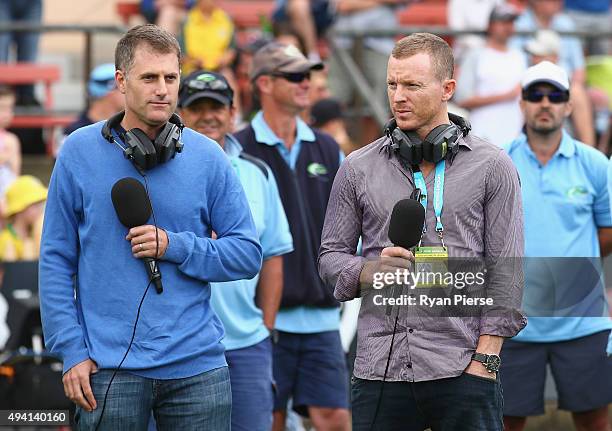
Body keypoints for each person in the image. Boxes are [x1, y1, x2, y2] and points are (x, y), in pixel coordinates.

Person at [39, 24, 262, 430]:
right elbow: (55, 261)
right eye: (149, 78)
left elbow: (246, 255)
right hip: (107, 371)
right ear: (121, 81)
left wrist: (174, 246)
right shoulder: (77, 152)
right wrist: (71, 350)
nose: (162, 89)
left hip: (198, 370)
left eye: (170, 78)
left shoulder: (209, 157)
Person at [318, 32, 526, 431]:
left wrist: (485, 359)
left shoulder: (493, 167)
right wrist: (368, 271)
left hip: (465, 366)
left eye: (412, 85)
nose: (398, 96)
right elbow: (329, 258)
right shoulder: (356, 168)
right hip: (380, 370)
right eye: (392, 84)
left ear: (448, 88)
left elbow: (507, 272)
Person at [234, 42, 351, 431]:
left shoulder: (328, 147)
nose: (307, 83)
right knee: (271, 420)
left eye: (309, 75)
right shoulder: (239, 149)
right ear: (264, 83)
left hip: (321, 317)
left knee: (334, 418)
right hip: (263, 321)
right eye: (296, 76)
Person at [178, 70, 293, 431]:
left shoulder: (258, 172)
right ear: (179, 112)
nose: (209, 115)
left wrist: (266, 326)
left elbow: (273, 253)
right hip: (180, 343)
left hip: (245, 342)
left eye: (218, 107)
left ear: (232, 113)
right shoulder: (160, 169)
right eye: (198, 107)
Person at [501, 60, 612, 431]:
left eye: (555, 95)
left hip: (582, 323)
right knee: (504, 422)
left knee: (595, 421)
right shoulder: (497, 163)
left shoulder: (595, 164)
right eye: (535, 94)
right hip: (513, 323)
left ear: (568, 105)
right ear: (522, 103)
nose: (544, 102)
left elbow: (608, 232)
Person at [511, 0, 595, 146]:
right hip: (529, 81)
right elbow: (514, 63)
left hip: (564, 83)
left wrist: (567, 87)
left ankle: (589, 151)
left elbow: (579, 70)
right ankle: (514, 151)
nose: (556, 3)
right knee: (526, 93)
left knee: (577, 91)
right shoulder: (520, 22)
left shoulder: (566, 23)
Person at [455, 3, 527, 147]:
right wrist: (506, 96)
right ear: (491, 25)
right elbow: (462, 99)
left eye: (511, 22)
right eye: (503, 22)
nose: (508, 26)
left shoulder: (520, 55)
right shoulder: (476, 54)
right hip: (483, 135)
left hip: (516, 137)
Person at [58, 63, 124, 156]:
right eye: (122, 86)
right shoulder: (74, 132)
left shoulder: (127, 128)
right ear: (110, 91)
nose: (128, 93)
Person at [0, 0, 43, 105]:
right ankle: (3, 99)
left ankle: (26, 98)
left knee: (28, 58)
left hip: (32, 3)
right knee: (1, 57)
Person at [0, 175, 46, 261]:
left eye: (40, 204)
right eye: (35, 204)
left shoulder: (36, 236)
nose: (40, 209)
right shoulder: (5, 240)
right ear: (21, 208)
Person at [0, 85, 21, 202]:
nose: (7, 113)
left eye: (10, 108)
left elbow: (14, 177)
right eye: (2, 108)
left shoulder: (11, 140)